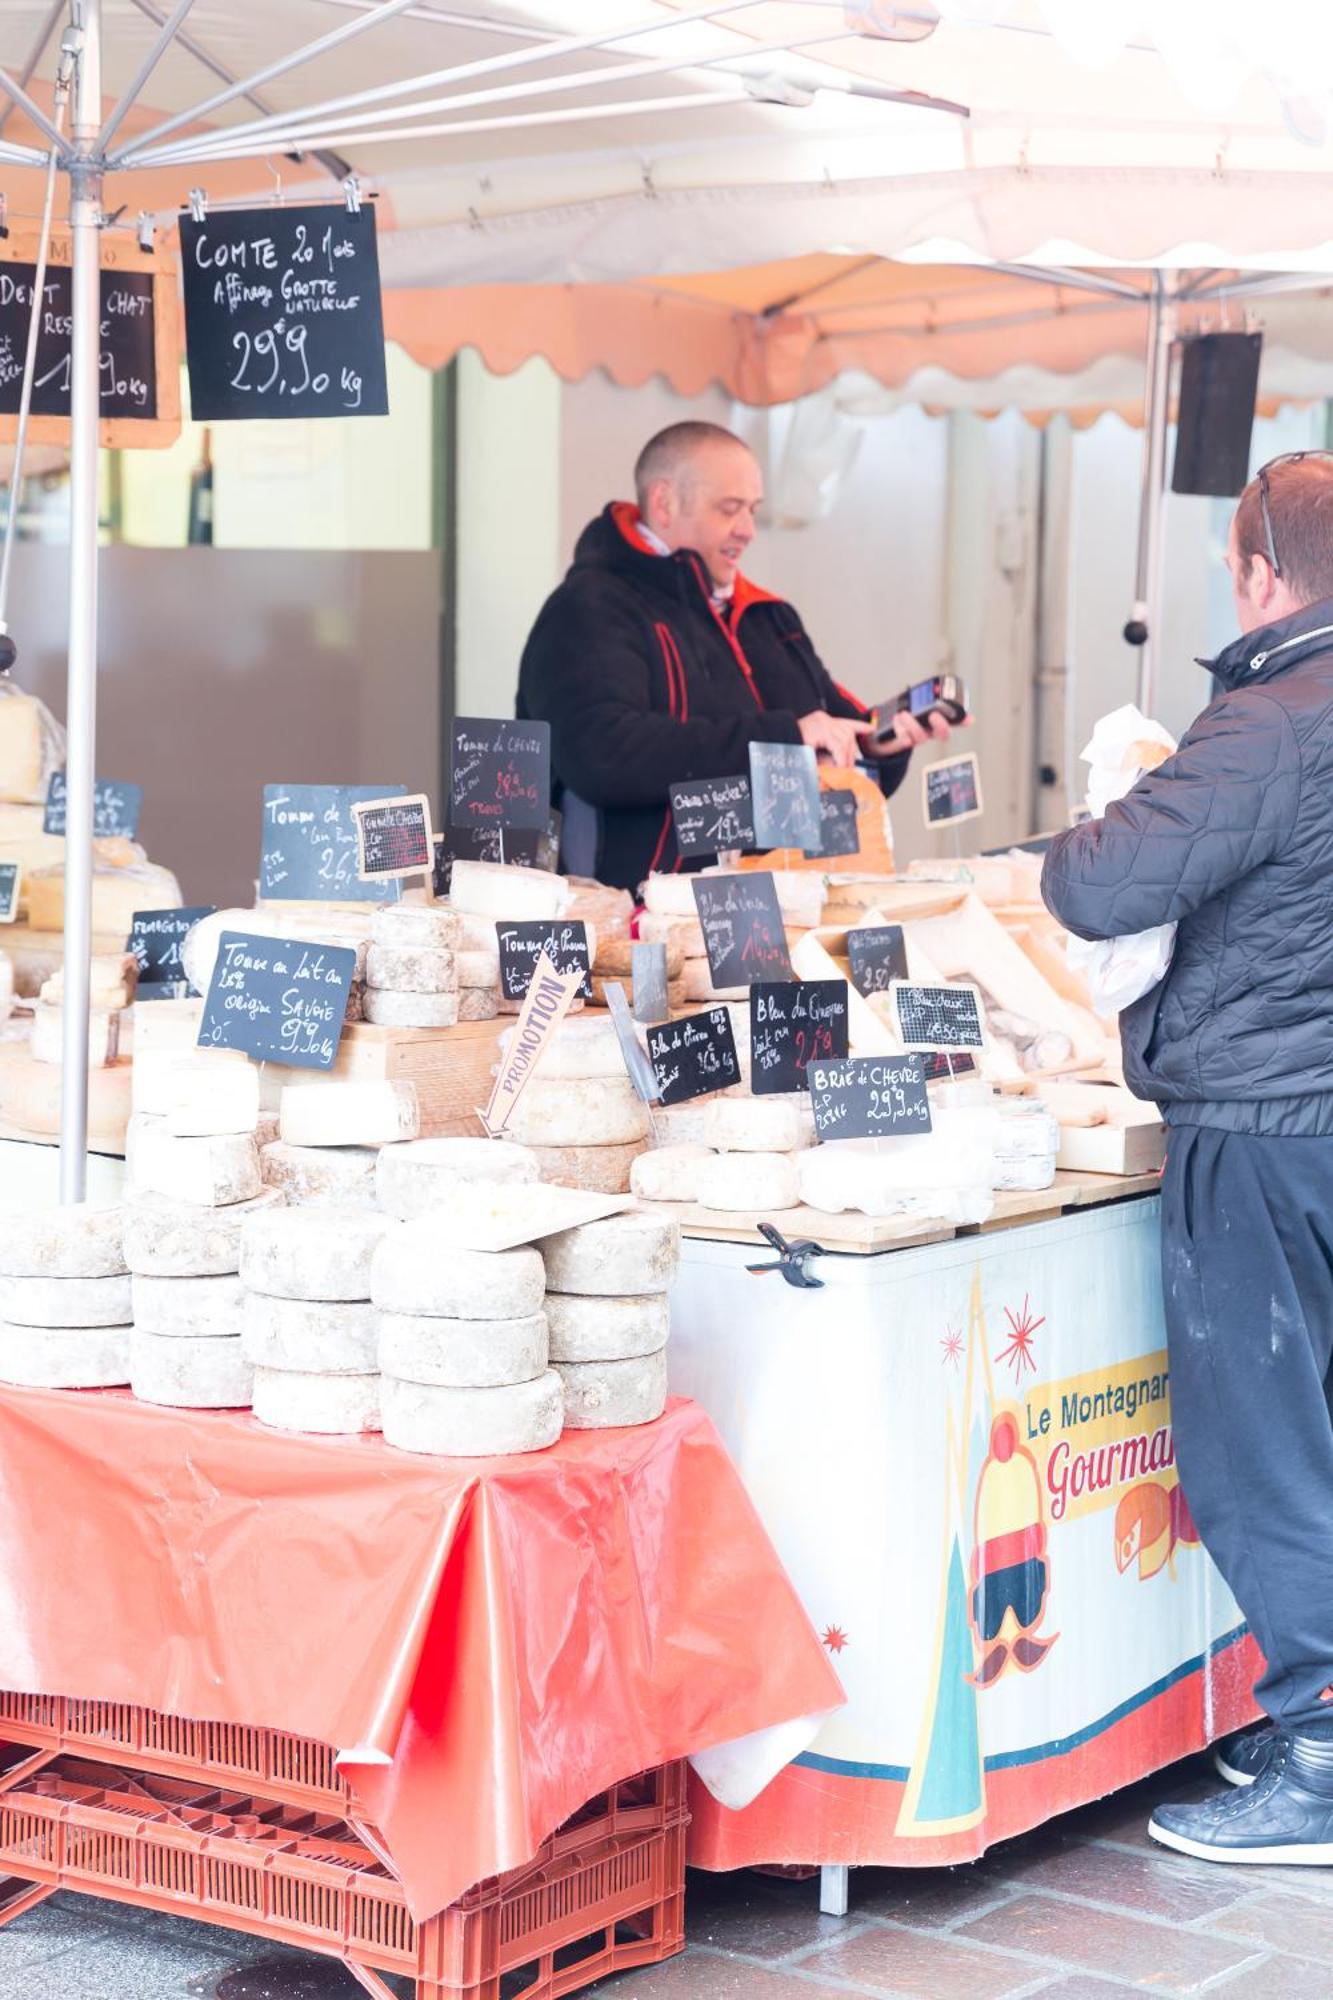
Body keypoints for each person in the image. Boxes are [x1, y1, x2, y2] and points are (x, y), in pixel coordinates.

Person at [1042, 450, 1333, 1864]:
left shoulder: (1269, 722)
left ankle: (1326, 1757)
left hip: (1270, 1132)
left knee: (1263, 1449)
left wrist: (1120, 795)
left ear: (1253, 572)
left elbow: (1096, 880)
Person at [517, 420, 949, 891]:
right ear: (664, 503)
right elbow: (601, 754)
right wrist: (783, 737)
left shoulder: (767, 617)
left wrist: (872, 747)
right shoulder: (590, 609)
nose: (747, 530)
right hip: (637, 920)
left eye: (752, 510)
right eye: (729, 509)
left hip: (779, 910)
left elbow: (830, 728)